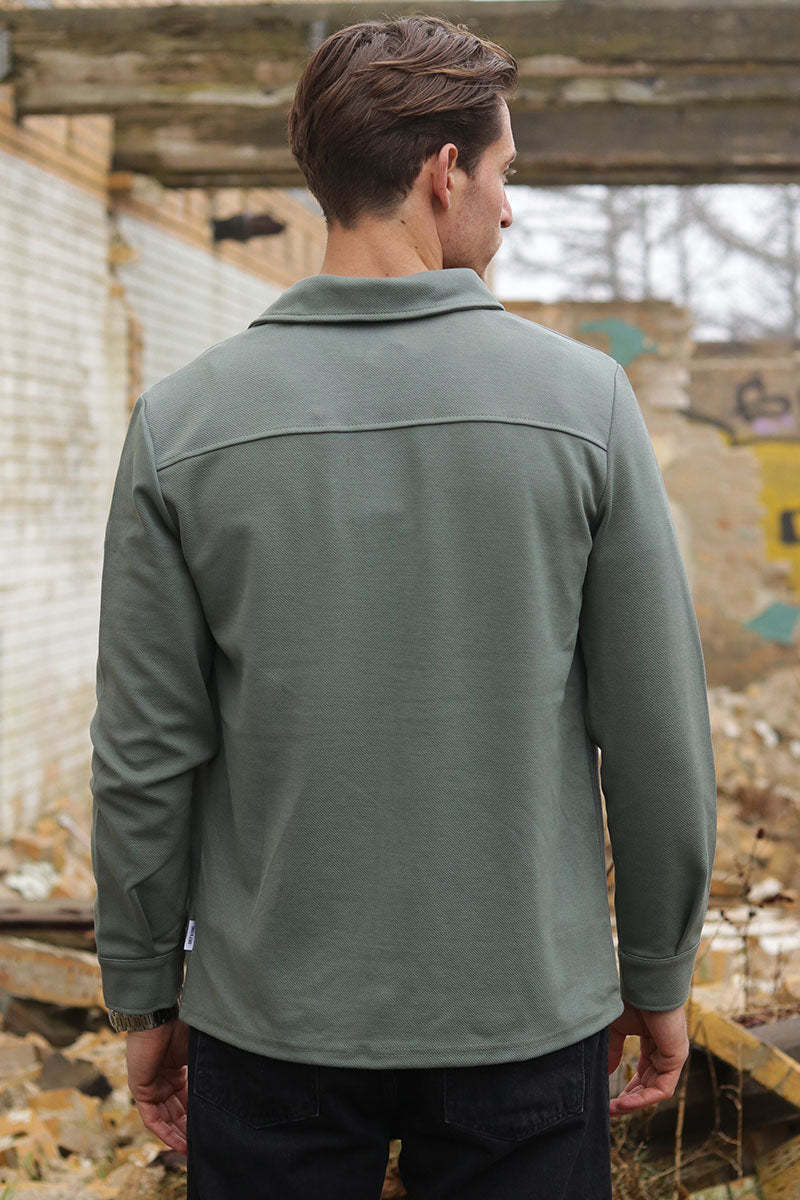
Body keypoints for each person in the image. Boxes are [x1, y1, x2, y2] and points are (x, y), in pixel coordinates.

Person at [89, 14, 717, 1199]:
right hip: (521, 1011)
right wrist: (656, 971)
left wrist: (142, 992)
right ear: (444, 173)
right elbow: (655, 738)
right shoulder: (583, 404)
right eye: (505, 172)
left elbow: (145, 751)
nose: (508, 208)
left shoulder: (182, 424)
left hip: (270, 1016)